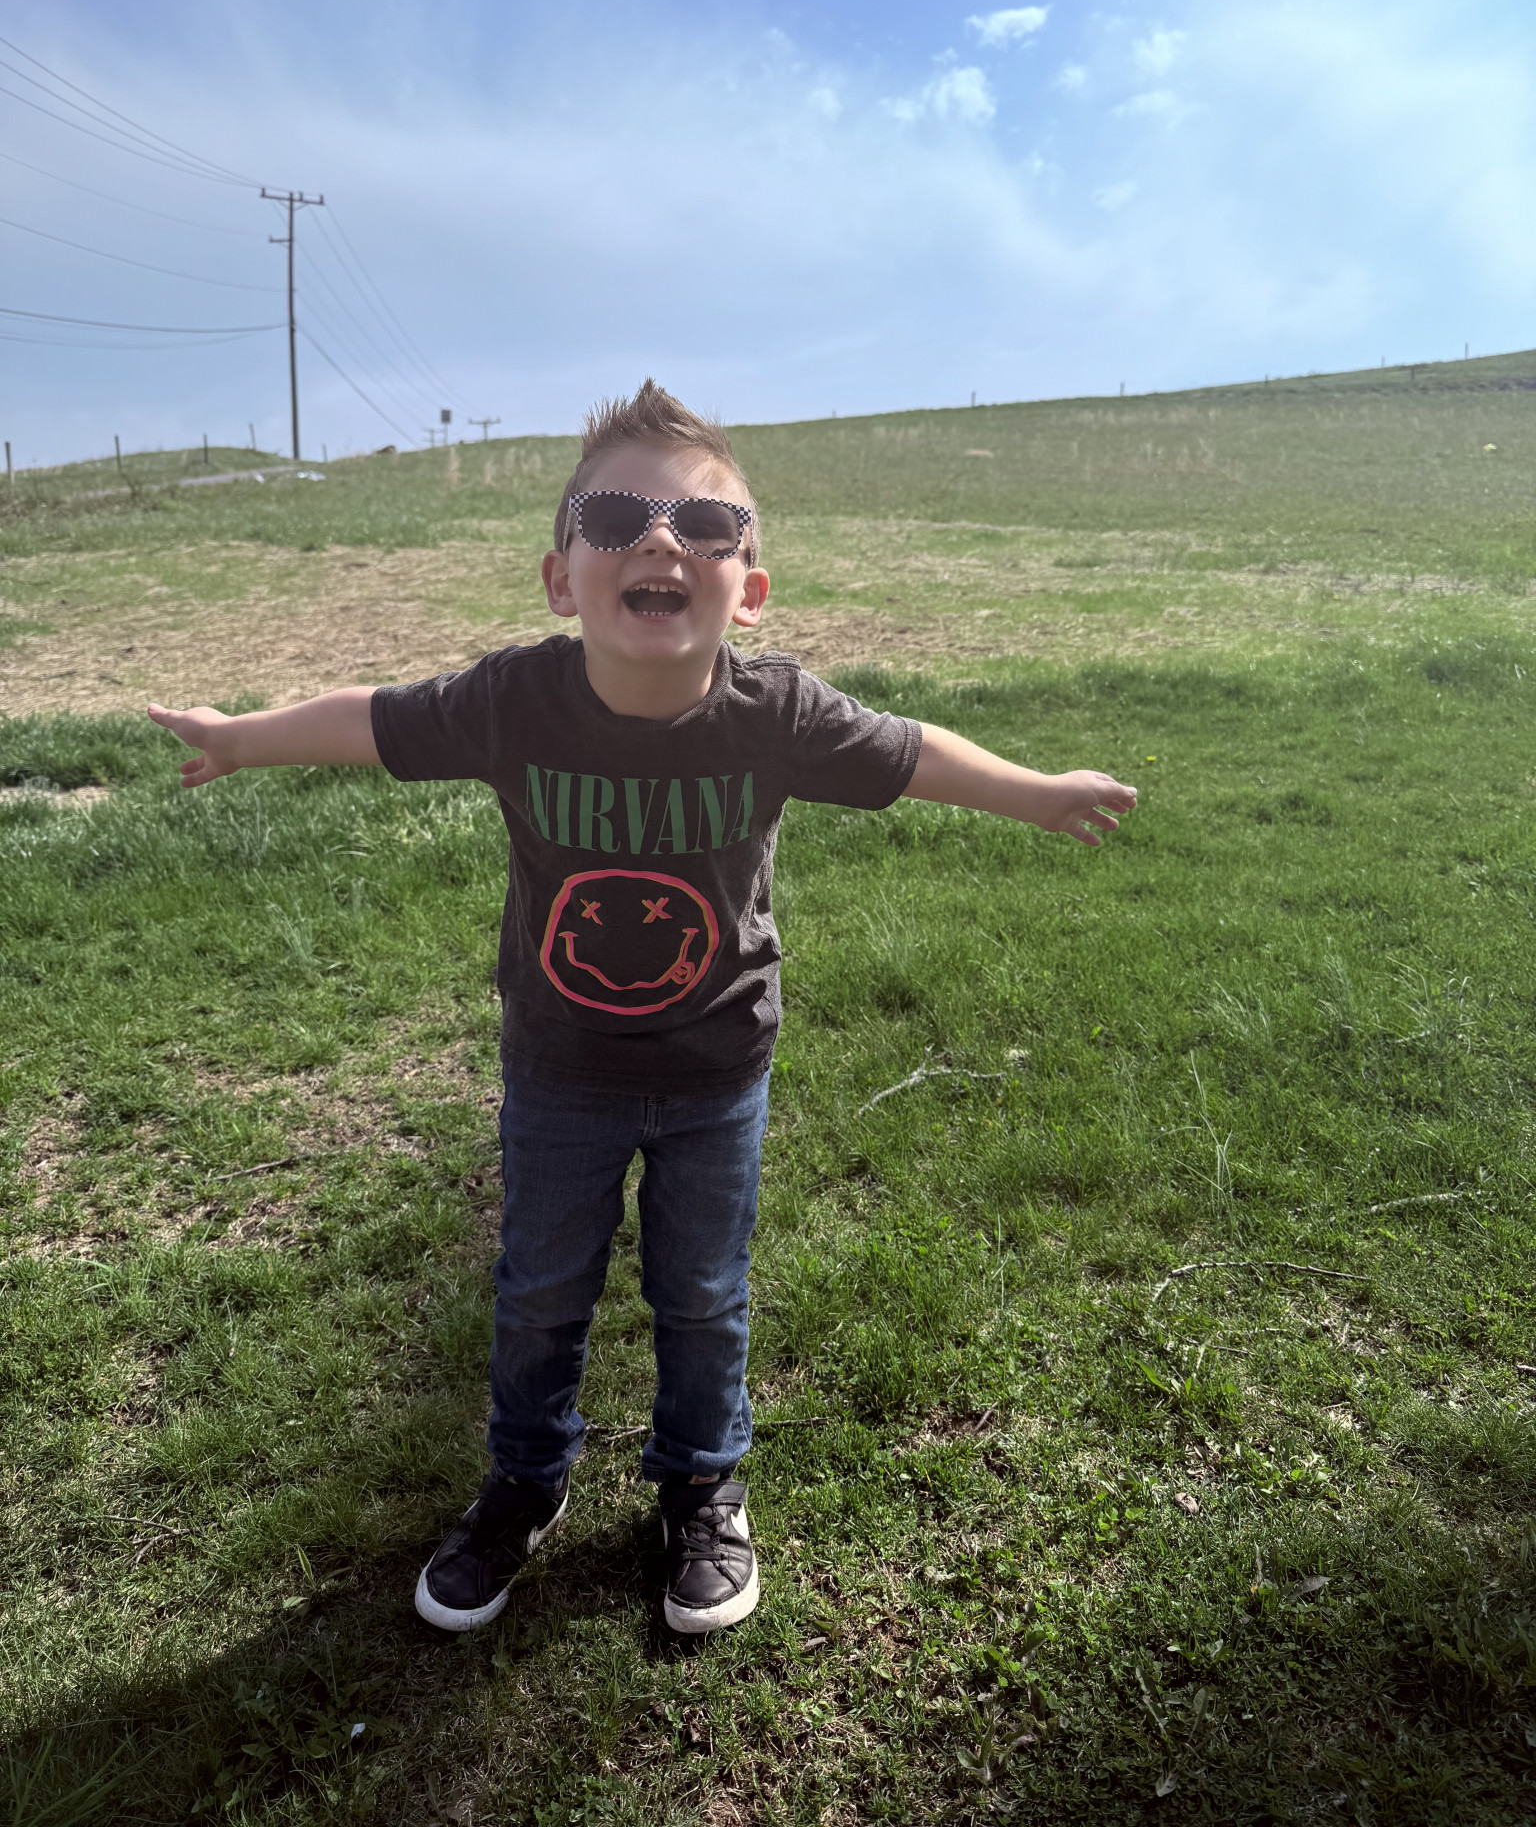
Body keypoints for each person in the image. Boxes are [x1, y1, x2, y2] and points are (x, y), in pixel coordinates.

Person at [148, 380, 1135, 1637]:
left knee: (703, 1291)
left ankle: (702, 1484)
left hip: (718, 1066)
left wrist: (1038, 790)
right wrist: (243, 736)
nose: (662, 539)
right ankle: (525, 1477)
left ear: (748, 589)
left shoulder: (776, 711)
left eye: (705, 527)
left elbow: (910, 749)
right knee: (539, 1287)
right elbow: (376, 719)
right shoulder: (516, 701)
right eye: (617, 517)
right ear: (561, 577)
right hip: (560, 1064)